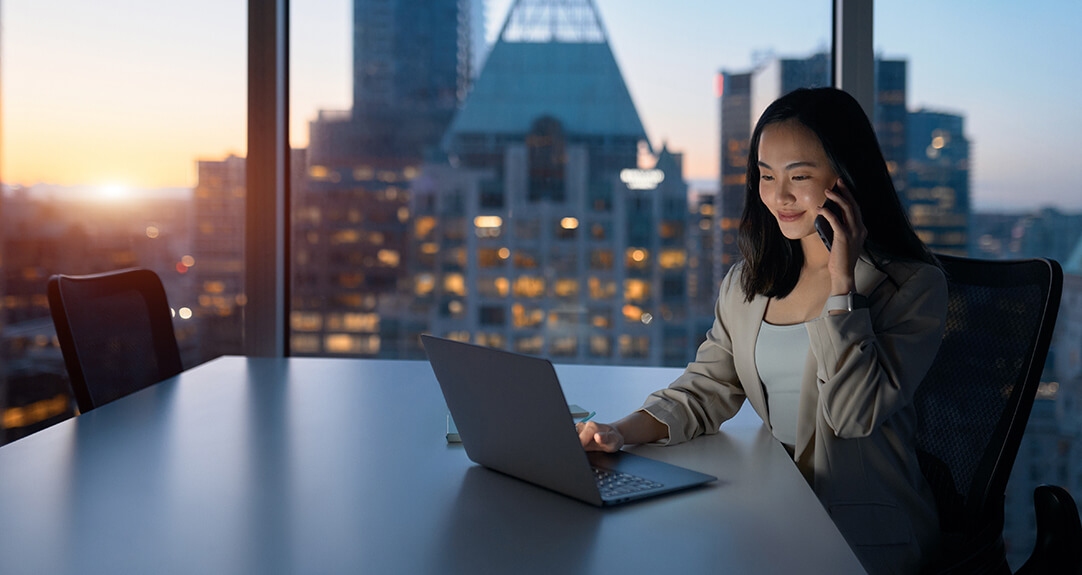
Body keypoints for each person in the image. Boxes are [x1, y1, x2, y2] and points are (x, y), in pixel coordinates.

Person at [577, 87, 947, 575]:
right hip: (773, 505)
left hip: (861, 534)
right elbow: (706, 389)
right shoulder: (751, 282)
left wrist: (842, 284)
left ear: (847, 178)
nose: (779, 196)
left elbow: (852, 415)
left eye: (800, 176)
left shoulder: (910, 286)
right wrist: (618, 433)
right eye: (766, 176)